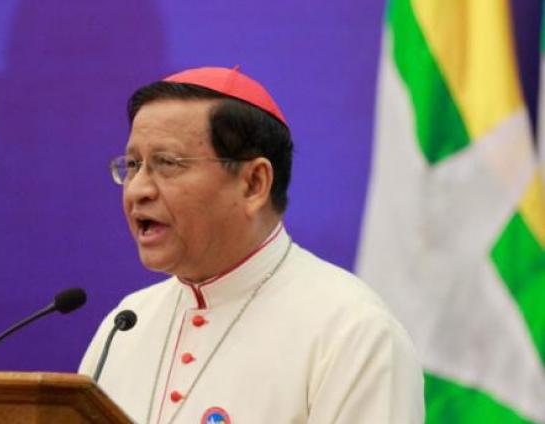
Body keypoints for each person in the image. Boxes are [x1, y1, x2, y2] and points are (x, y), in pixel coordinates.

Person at [79, 66, 424, 424]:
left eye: (167, 164)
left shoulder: (352, 332)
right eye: (133, 165)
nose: (137, 189)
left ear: (253, 184)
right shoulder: (125, 325)